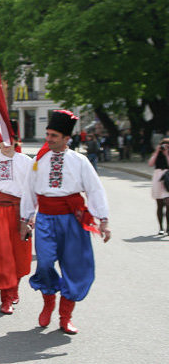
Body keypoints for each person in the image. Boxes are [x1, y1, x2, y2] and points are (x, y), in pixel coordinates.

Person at [21, 110, 111, 334]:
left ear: (66, 138)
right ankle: (48, 303)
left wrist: (104, 220)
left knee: (75, 266)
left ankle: (65, 316)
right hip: (45, 220)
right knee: (44, 262)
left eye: (54, 135)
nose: (49, 139)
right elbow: (29, 191)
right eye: (48, 134)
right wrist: (25, 218)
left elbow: (94, 190)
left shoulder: (79, 161)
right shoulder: (38, 160)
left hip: (72, 219)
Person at [0, 141, 33, 314]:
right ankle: (6, 297)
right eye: (2, 140)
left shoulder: (26, 161)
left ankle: (14, 287)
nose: (6, 144)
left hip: (20, 212)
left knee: (19, 253)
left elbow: (32, 190)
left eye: (10, 140)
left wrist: (31, 216)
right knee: (2, 255)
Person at [148, 138, 169, 235]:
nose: (165, 147)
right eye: (163, 145)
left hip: (167, 178)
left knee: (168, 204)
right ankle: (161, 227)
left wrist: (167, 154)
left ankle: (168, 227)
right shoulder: (157, 154)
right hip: (157, 178)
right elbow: (150, 164)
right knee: (160, 205)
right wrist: (157, 151)